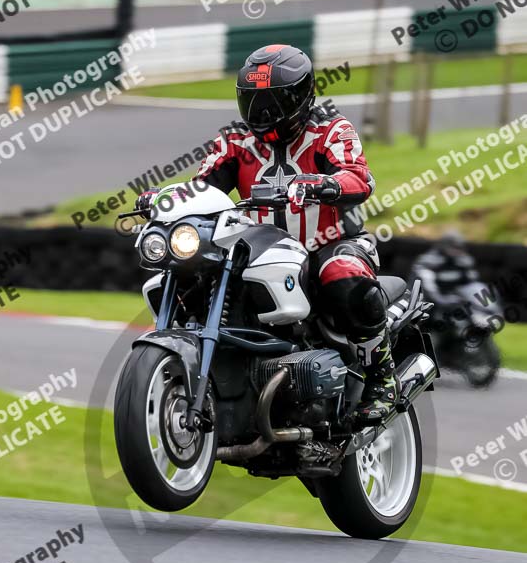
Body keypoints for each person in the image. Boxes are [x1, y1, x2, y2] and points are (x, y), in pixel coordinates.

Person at [136, 45, 398, 424]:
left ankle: (381, 375)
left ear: (300, 95)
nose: (262, 113)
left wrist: (323, 184)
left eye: (272, 101)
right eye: (253, 101)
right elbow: (202, 189)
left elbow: (358, 177)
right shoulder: (234, 141)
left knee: (342, 274)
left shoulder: (330, 130)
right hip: (259, 249)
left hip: (328, 243)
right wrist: (164, 197)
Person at [411, 230, 479, 312]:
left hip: (453, 297)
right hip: (428, 302)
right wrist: (441, 300)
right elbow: (427, 286)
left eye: (459, 247)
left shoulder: (463, 261)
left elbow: (472, 282)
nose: (457, 251)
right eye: (454, 247)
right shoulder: (427, 261)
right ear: (444, 245)